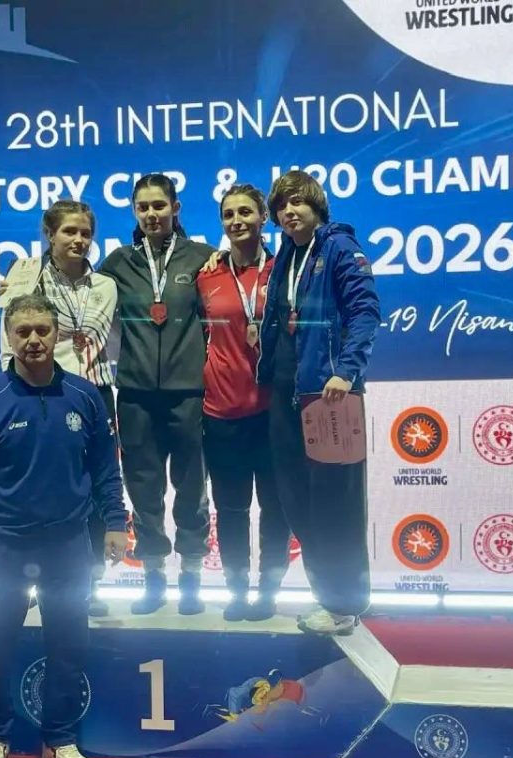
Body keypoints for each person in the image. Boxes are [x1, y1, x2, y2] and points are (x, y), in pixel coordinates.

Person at [0, 291, 128, 758]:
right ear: (9, 337)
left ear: (57, 334)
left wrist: (116, 522)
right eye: (23, 331)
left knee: (67, 647)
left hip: (69, 545)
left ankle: (59, 740)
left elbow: (105, 469)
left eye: (42, 330)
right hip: (4, 545)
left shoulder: (85, 397)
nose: (33, 340)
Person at [256, 171, 380, 636]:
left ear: (317, 206)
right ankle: (329, 595)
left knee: (336, 505)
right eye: (282, 206)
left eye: (298, 203)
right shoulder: (288, 254)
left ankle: (344, 605)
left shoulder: (339, 248)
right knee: (298, 500)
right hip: (288, 393)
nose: (289, 212)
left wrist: (346, 371)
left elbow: (366, 312)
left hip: (330, 395)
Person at [0, 200, 119, 618]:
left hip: (92, 394)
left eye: (85, 233)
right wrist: (11, 390)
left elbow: (98, 335)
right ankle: (30, 582)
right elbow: (9, 339)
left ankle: (90, 584)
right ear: (50, 234)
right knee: (35, 486)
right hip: (34, 393)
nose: (79, 239)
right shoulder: (24, 278)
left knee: (94, 487)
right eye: (69, 231)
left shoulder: (105, 285)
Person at [99, 174, 215, 615]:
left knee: (192, 487)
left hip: (189, 394)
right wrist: (20, 285)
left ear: (175, 208)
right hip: (135, 395)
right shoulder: (118, 263)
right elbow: (75, 290)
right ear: (134, 211)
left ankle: (191, 577)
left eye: (159, 205)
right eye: (143, 207)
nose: (151, 214)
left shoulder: (203, 258)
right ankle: (153, 576)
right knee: (144, 490)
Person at [197, 184, 290, 621]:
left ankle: (268, 591)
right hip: (222, 412)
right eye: (229, 214)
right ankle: (236, 591)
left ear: (263, 218)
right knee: (231, 510)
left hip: (273, 413)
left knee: (275, 509)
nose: (237, 221)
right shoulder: (206, 274)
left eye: (246, 212)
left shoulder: (283, 269)